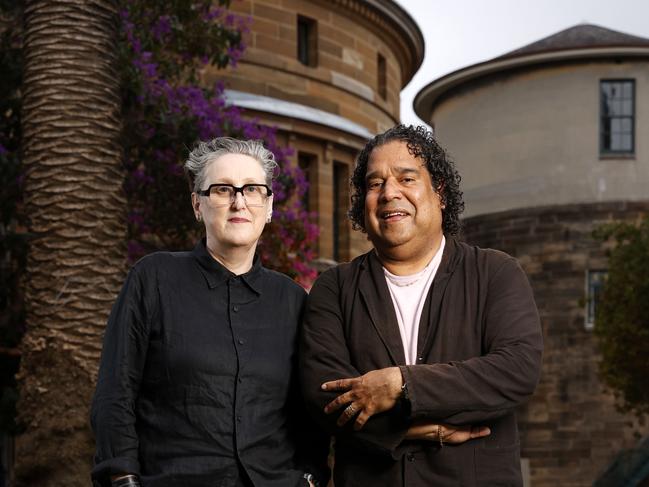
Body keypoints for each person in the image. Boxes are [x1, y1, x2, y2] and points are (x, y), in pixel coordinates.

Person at [299, 125, 543, 486]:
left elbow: (515, 370)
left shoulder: (494, 273)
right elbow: (324, 397)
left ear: (439, 192)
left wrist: (401, 385)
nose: (388, 193)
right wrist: (419, 430)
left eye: (406, 178)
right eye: (375, 183)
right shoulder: (334, 288)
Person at [91, 137, 328, 487]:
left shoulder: (292, 299)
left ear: (269, 205)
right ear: (197, 205)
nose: (238, 202)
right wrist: (123, 480)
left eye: (252, 189)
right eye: (222, 190)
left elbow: (307, 411)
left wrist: (310, 479)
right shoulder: (154, 279)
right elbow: (116, 392)